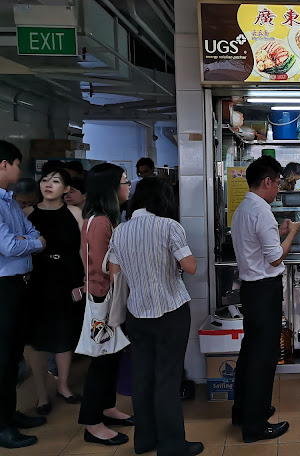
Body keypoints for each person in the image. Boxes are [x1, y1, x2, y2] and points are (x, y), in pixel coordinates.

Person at [109, 178, 203, 456]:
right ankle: (173, 445)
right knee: (168, 378)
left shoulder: (120, 231)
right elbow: (191, 266)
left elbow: (115, 273)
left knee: (143, 377)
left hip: (136, 313)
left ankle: (145, 440)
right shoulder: (169, 226)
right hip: (170, 311)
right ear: (163, 199)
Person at [230, 156, 300, 443]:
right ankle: (256, 425)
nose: (278, 189)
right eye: (277, 183)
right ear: (267, 182)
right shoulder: (261, 210)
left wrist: (280, 231)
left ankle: (244, 411)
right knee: (263, 359)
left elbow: (259, 245)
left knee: (250, 354)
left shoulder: (245, 207)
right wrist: (293, 234)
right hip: (264, 290)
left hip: (252, 290)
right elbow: (275, 258)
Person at [78, 163, 133, 446]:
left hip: (109, 298)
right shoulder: (99, 222)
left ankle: (107, 407)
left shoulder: (103, 219)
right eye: (124, 182)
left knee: (112, 357)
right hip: (102, 300)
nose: (128, 186)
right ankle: (92, 422)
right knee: (101, 361)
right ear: (112, 188)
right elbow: (102, 268)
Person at [24, 168, 84, 415]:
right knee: (35, 339)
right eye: (45, 180)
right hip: (36, 279)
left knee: (64, 332)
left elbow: (83, 249)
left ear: (67, 189)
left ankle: (63, 385)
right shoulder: (27, 213)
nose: (48, 184)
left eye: (56, 181)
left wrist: (85, 278)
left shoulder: (75, 213)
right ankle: (41, 395)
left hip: (66, 278)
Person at [0, 140, 47, 449]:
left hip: (18, 285)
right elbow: (10, 246)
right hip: (3, 287)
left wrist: (29, 238)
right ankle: (2, 427)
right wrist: (37, 243)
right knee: (3, 358)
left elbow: (27, 232)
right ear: (4, 164)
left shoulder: (9, 202)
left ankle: (9, 414)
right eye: (18, 164)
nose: (21, 169)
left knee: (13, 354)